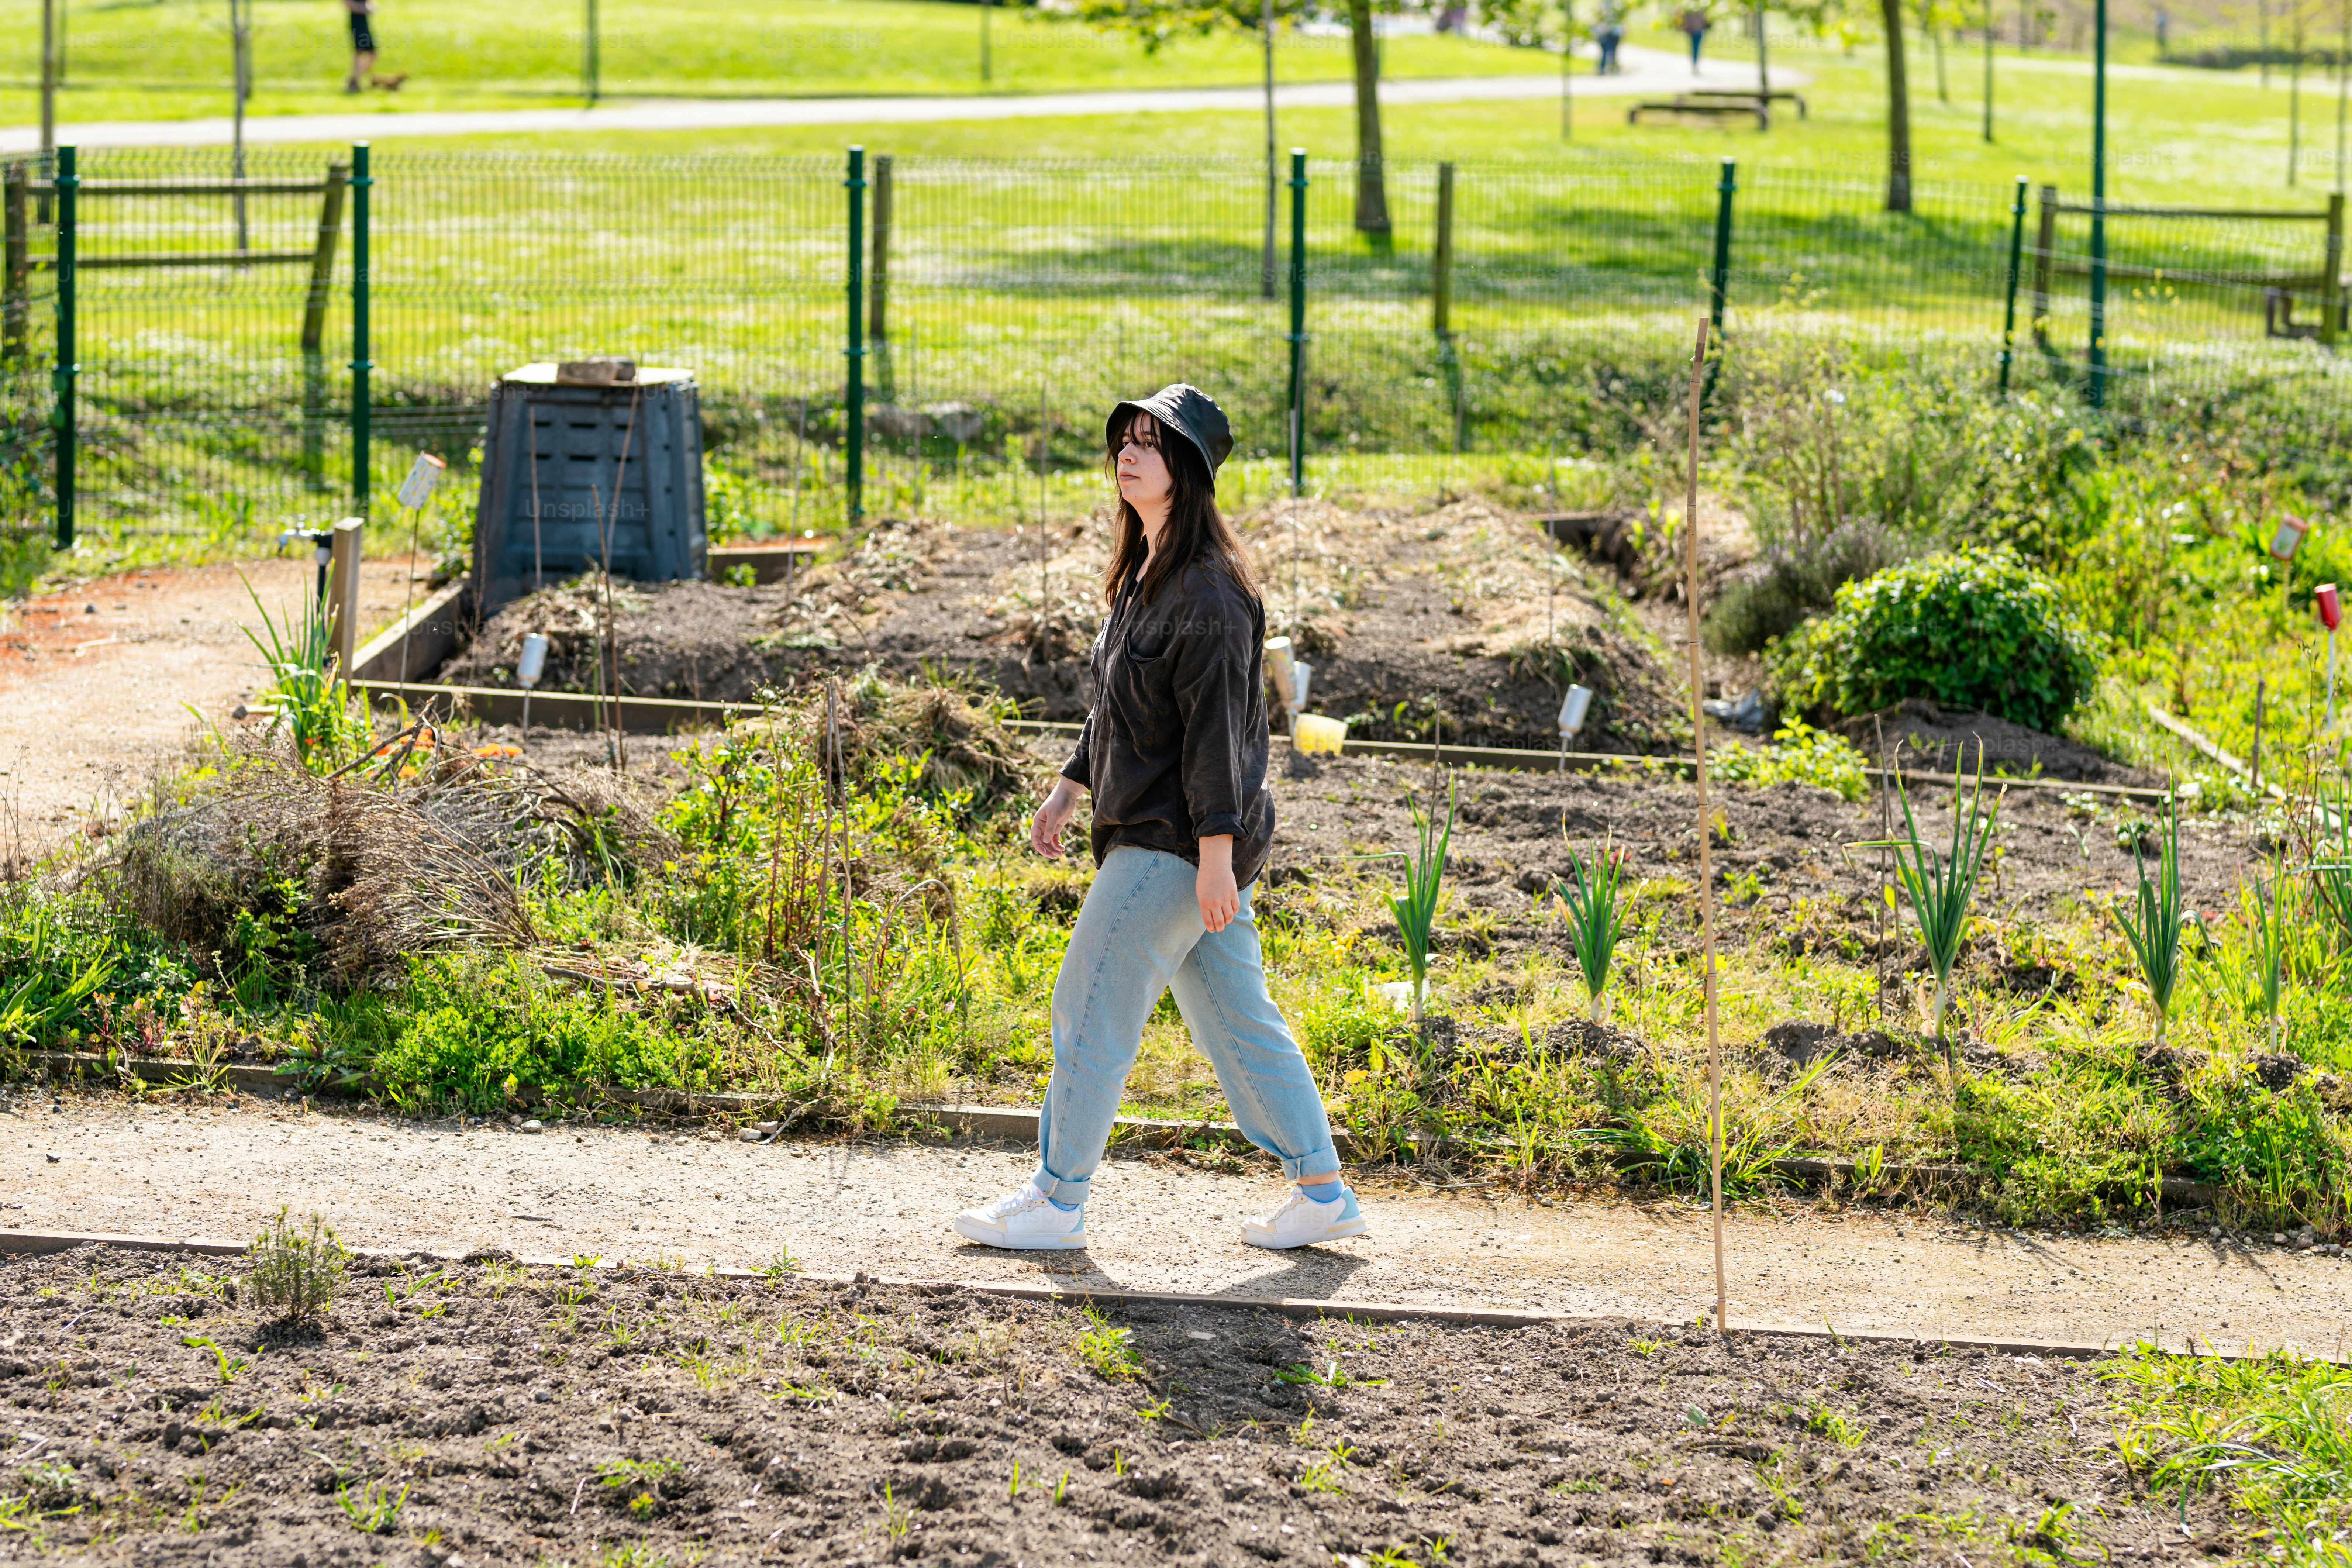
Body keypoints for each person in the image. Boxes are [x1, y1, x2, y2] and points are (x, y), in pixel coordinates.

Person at [952, 384, 1366, 1255]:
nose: (1128, 454)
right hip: (1165, 835)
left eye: (1150, 442)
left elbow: (1219, 739)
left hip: (1175, 842)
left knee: (1088, 1003)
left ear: (1187, 468)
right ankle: (1322, 1189)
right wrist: (1071, 786)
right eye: (1125, 441)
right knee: (1235, 1020)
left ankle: (1057, 1198)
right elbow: (1120, 702)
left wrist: (1214, 856)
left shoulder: (1209, 597)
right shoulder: (1146, 571)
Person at [1680, 5, 1709, 70]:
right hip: (1695, 31)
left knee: (1695, 48)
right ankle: (1694, 63)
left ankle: (1695, 63)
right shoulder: (1698, 9)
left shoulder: (1690, 9)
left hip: (1696, 31)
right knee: (1695, 48)